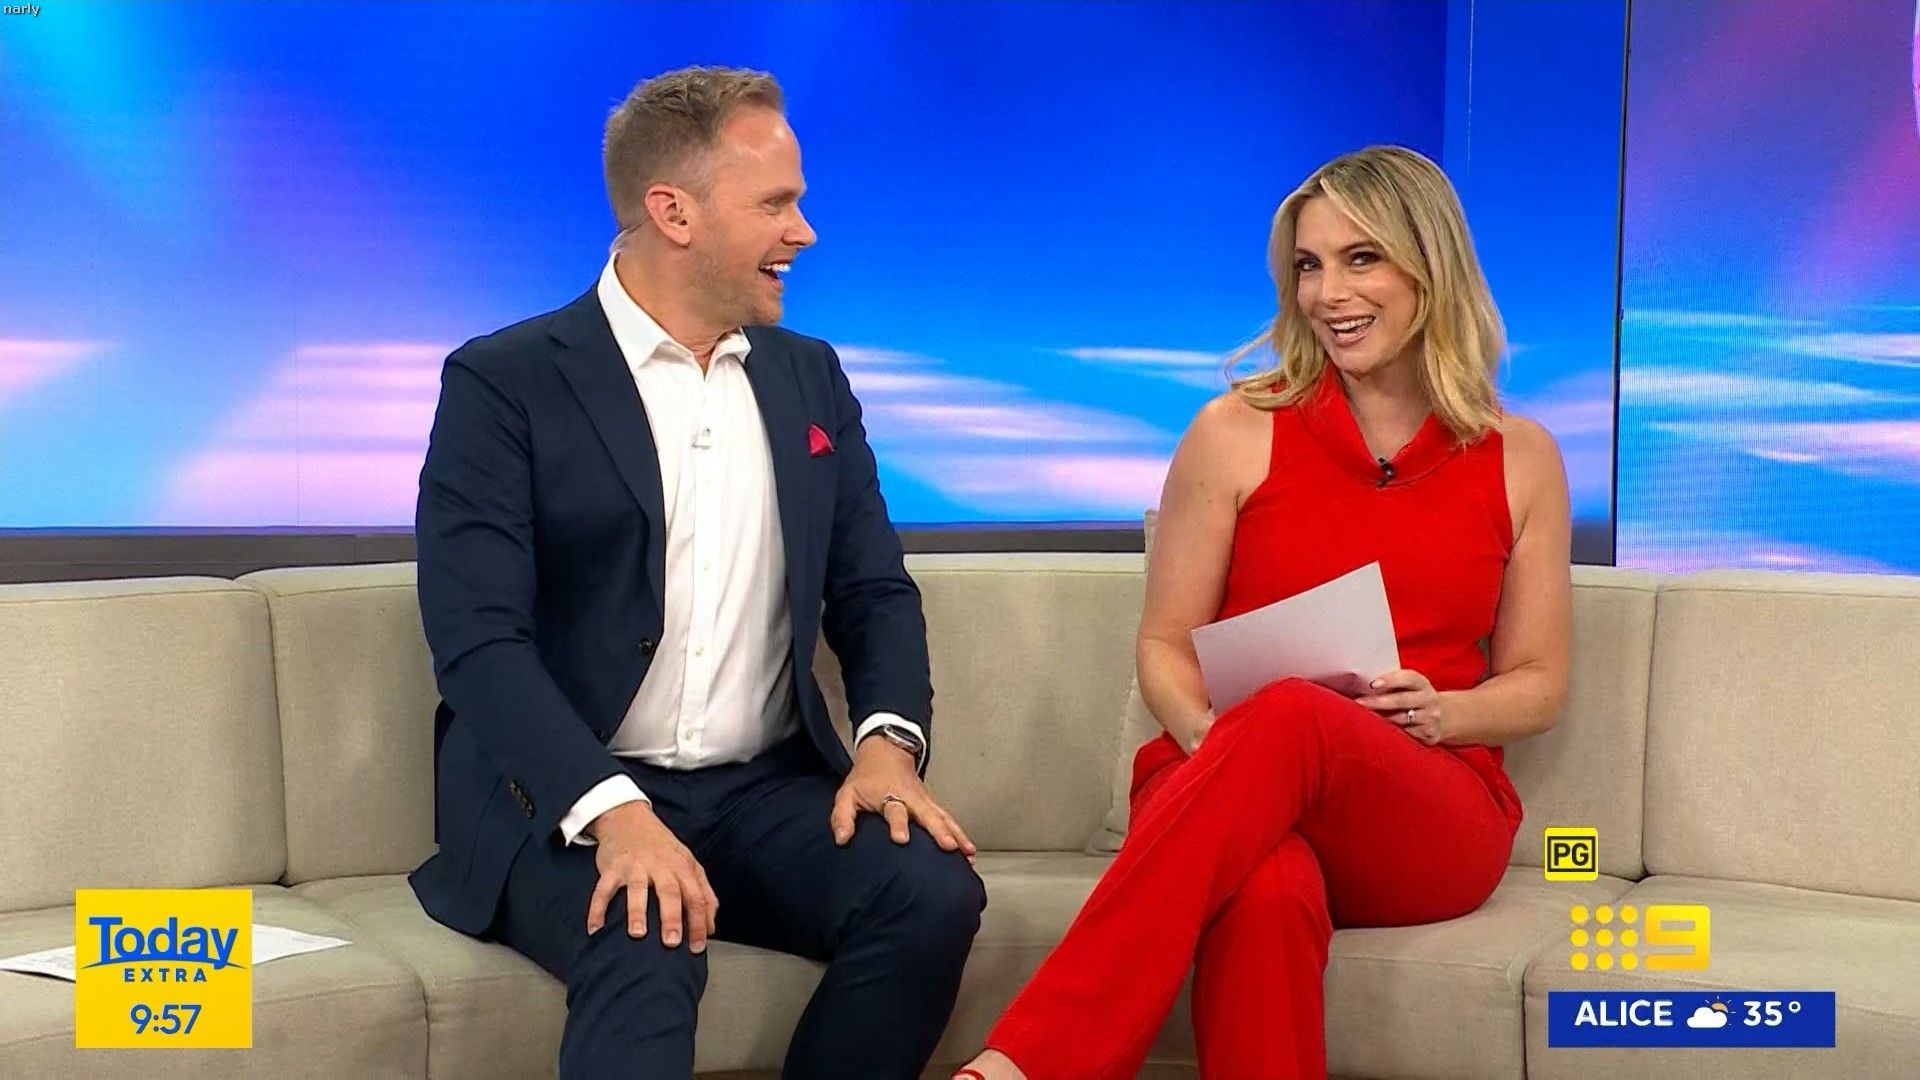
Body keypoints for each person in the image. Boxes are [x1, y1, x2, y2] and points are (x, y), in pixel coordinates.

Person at [409, 65, 984, 1080]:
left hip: (764, 794)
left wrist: (887, 747)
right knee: (646, 926)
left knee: (930, 892)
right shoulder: (505, 382)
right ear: (673, 212)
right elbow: (479, 643)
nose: (804, 232)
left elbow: (872, 592)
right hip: (563, 799)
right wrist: (614, 811)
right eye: (775, 204)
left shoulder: (810, 377)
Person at [955, 145, 1573, 1080]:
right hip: (1221, 767)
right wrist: (1218, 747)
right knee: (1267, 887)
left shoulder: (1519, 457)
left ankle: (1029, 1063)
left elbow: (1539, 684)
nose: (1329, 293)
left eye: (1361, 259)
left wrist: (1443, 712)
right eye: (1309, 266)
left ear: (1430, 267)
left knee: (1291, 714)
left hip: (1426, 806)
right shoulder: (1233, 432)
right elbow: (1164, 645)